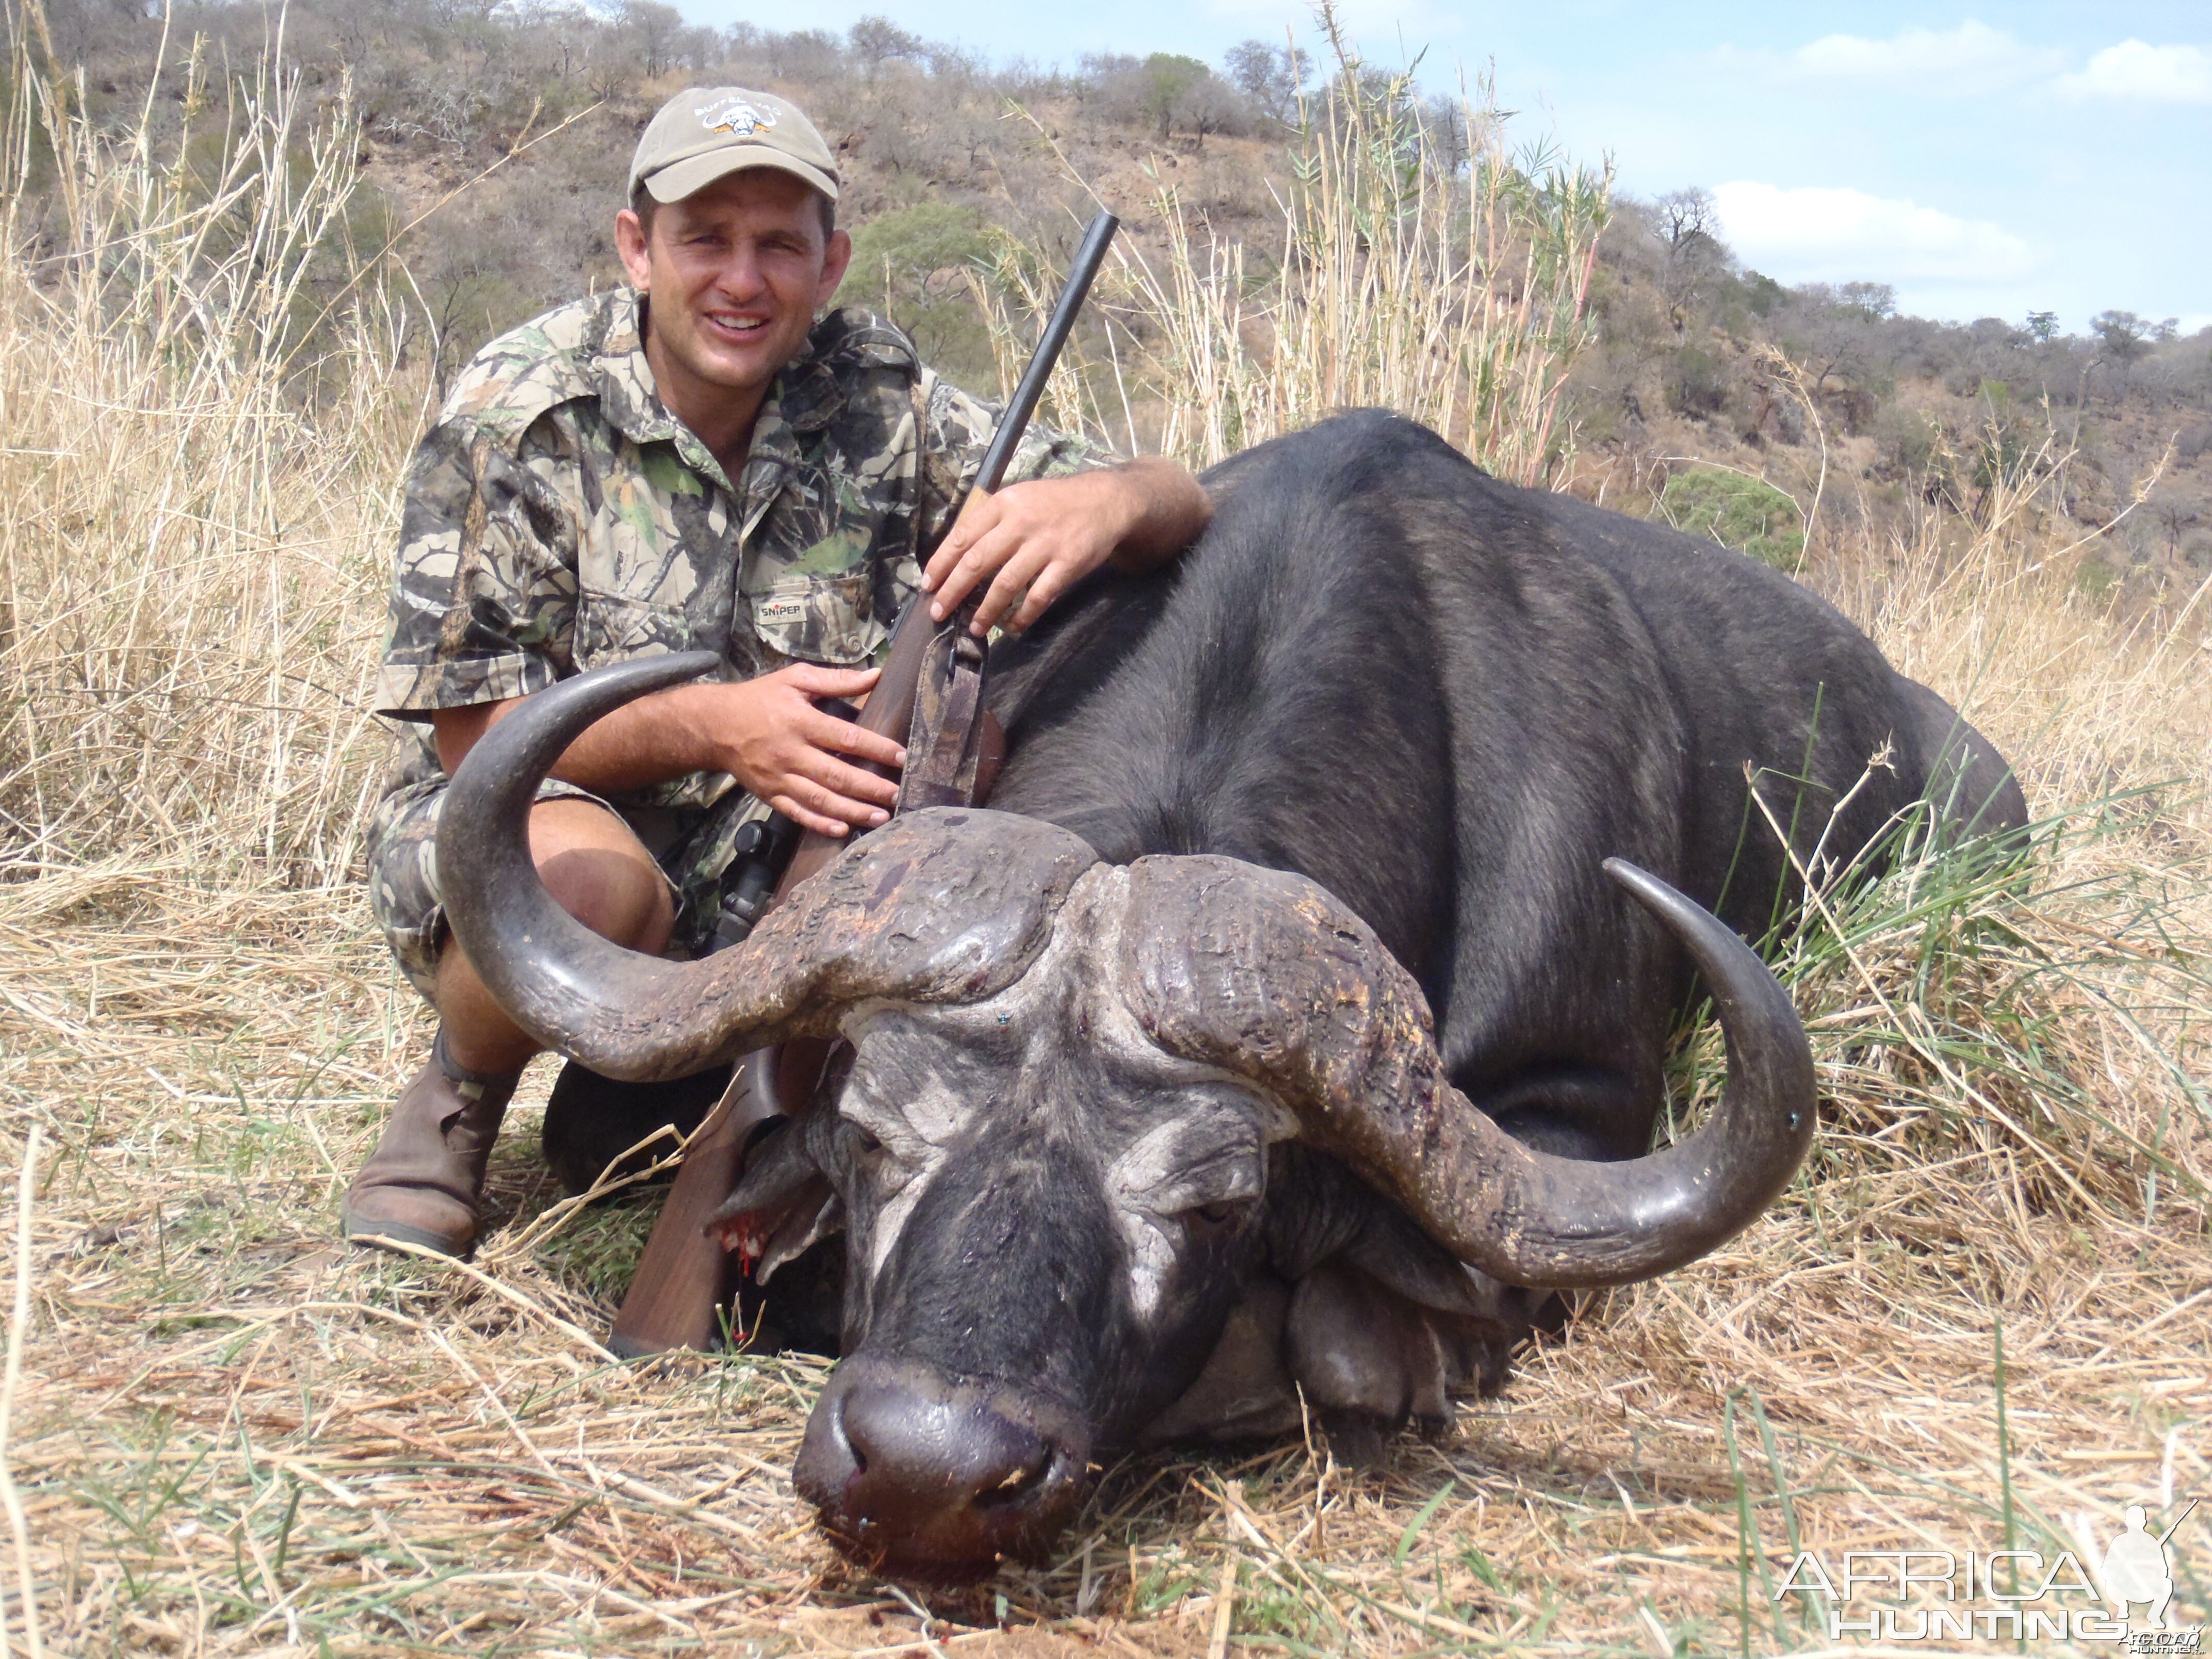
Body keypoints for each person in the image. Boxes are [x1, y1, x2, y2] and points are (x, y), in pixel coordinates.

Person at [343, 87, 1212, 1256]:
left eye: (778, 245)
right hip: (553, 819)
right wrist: (716, 730)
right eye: (705, 238)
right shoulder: (516, 413)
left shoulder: (877, 391)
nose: (741, 280)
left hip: (800, 850)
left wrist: (1102, 500)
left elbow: (1178, 499)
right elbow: (476, 741)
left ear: (830, 261)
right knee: (596, 896)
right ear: (635, 248)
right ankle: (455, 1096)